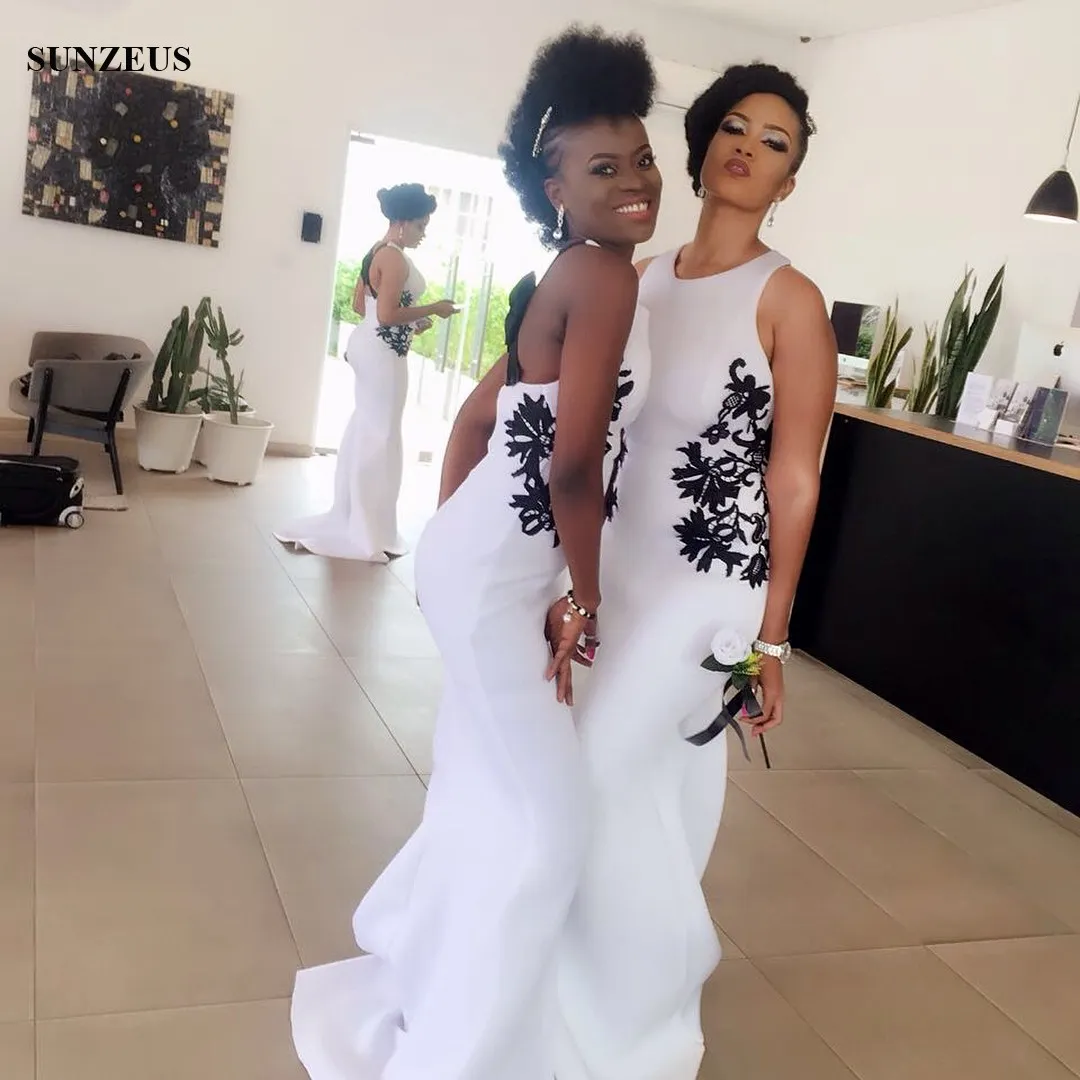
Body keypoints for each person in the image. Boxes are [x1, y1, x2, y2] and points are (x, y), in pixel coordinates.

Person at [289, 25, 662, 1080]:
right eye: (604, 168)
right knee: (548, 829)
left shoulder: (568, 274)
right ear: (554, 189)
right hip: (501, 569)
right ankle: (465, 1049)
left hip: (486, 560)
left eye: (643, 159)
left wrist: (464, 540)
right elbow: (574, 466)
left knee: (482, 790)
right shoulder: (605, 279)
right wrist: (585, 595)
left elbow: (475, 421)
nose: (636, 182)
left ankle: (448, 985)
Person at [555, 63, 838, 1080]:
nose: (749, 147)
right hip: (626, 568)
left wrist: (773, 639)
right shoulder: (643, 277)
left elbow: (795, 479)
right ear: (706, 142)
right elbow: (600, 438)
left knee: (600, 774)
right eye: (737, 127)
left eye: (775, 143)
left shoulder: (790, 301)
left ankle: (629, 1002)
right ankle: (605, 983)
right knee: (653, 784)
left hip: (710, 587)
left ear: (788, 182)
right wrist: (573, 580)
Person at [274, 183, 457, 561]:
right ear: (402, 222)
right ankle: (366, 527)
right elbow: (387, 314)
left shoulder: (377, 251)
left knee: (368, 427)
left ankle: (357, 516)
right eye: (421, 226)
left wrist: (410, 324)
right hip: (382, 355)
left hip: (370, 345)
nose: (424, 234)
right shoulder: (393, 257)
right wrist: (433, 309)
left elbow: (364, 306)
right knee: (381, 433)